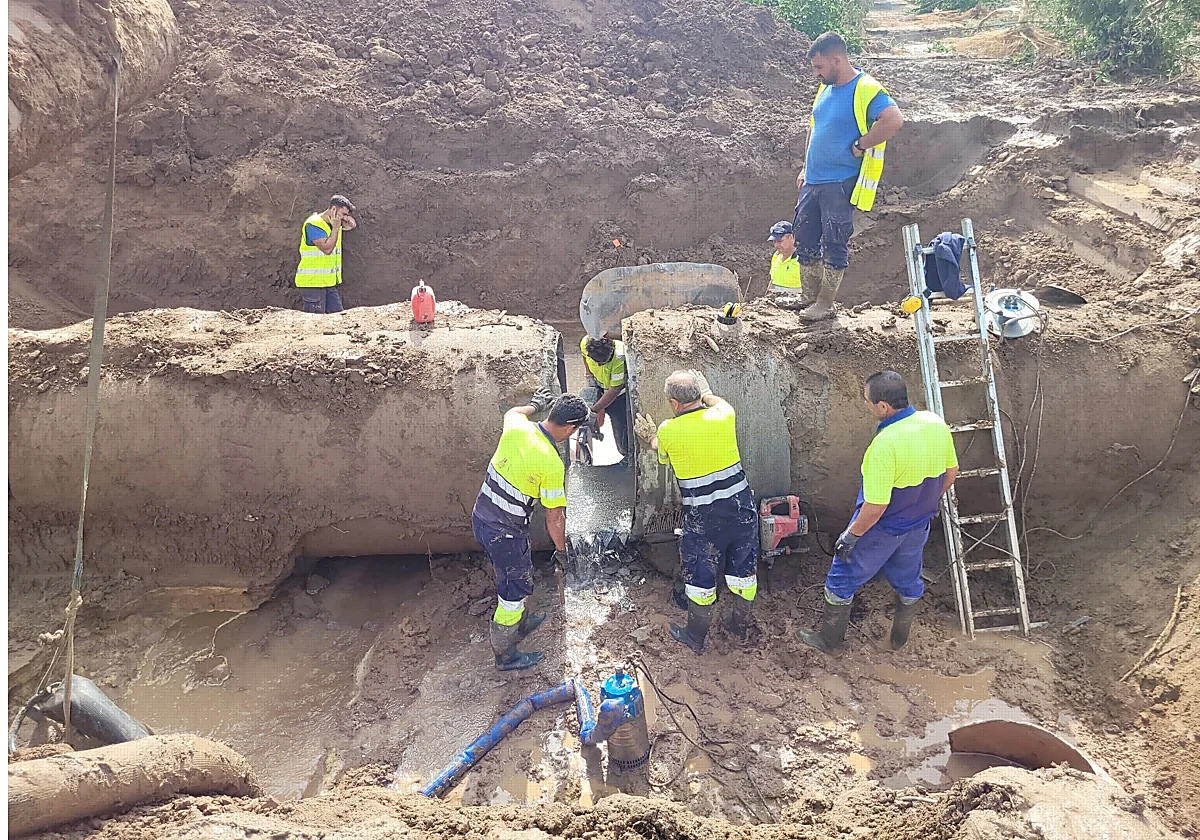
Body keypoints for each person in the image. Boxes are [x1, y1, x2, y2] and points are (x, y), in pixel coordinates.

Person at [799, 371, 958, 653]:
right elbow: (952, 471)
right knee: (909, 579)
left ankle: (829, 642)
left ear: (883, 406)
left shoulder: (884, 445)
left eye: (867, 400)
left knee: (841, 578)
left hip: (883, 528)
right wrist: (929, 502)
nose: (865, 404)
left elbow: (875, 506)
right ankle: (899, 639)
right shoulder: (935, 423)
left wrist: (850, 536)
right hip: (918, 525)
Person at [634, 371, 760, 652]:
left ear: (674, 403)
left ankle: (695, 635)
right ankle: (739, 625)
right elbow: (717, 401)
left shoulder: (669, 430)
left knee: (701, 571)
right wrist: (704, 391)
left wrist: (649, 435)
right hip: (741, 507)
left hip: (704, 515)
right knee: (744, 565)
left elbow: (659, 450)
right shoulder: (725, 414)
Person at [472, 390, 591, 671]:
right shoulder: (550, 462)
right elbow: (554, 517)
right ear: (570, 428)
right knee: (512, 593)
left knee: (515, 577)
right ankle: (506, 655)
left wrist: (534, 404)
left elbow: (513, 411)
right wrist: (562, 551)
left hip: (482, 518)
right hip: (505, 533)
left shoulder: (516, 426)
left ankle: (521, 625)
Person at [793, 32, 904, 321]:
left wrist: (861, 144)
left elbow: (894, 119)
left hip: (839, 183)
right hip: (814, 180)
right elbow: (814, 126)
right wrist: (805, 167)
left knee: (833, 241)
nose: (816, 73)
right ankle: (808, 297)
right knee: (804, 236)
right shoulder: (825, 88)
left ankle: (825, 303)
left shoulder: (865, 88)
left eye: (819, 67)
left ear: (836, 60)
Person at [295, 195, 357, 314]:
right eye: (343, 214)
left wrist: (347, 223)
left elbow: (350, 225)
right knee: (316, 324)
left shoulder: (333, 224)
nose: (344, 218)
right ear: (333, 209)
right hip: (312, 284)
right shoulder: (314, 224)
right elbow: (327, 249)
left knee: (339, 318)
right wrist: (335, 228)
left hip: (327, 284)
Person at [580, 336, 629, 458]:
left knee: (622, 432)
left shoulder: (619, 357)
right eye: (595, 361)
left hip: (618, 397)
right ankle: (593, 435)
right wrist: (589, 377)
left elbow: (615, 389)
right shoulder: (586, 343)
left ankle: (625, 453)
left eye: (601, 363)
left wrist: (594, 410)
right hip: (600, 386)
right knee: (592, 420)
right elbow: (584, 357)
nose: (597, 364)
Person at [766, 220, 803, 300]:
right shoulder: (776, 256)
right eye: (774, 241)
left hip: (796, 304)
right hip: (776, 303)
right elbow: (772, 280)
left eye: (780, 241)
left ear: (791, 238)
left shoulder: (802, 260)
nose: (776, 245)